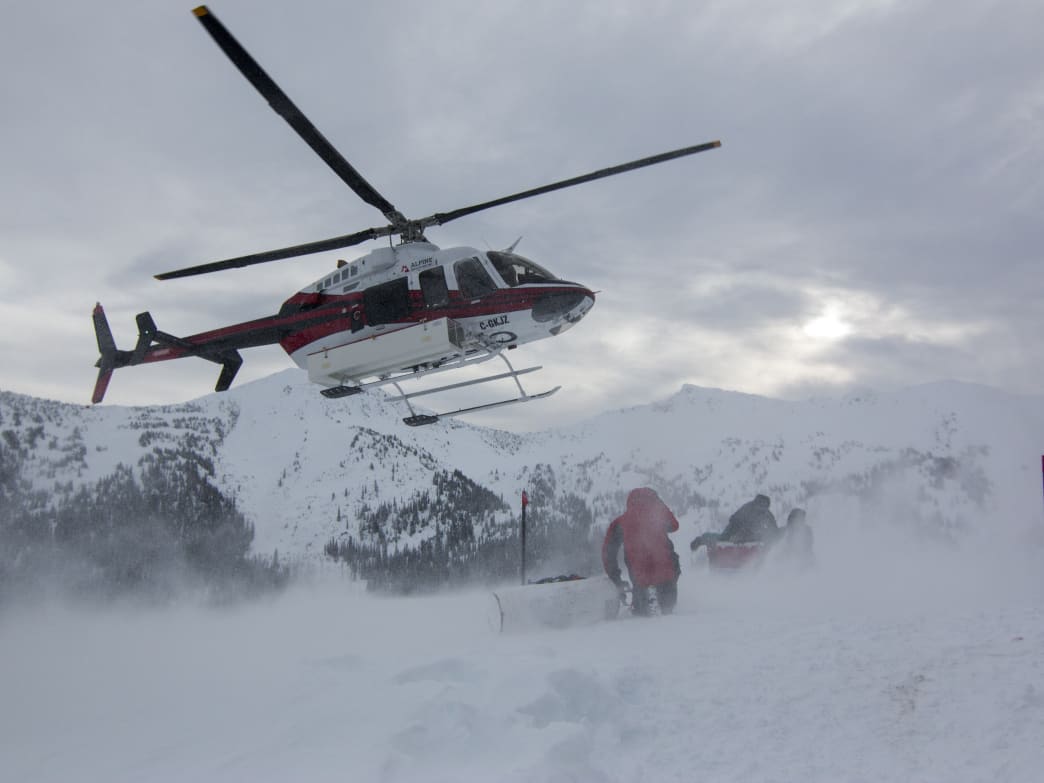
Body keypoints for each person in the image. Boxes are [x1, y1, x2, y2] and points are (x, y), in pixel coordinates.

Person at [602, 487, 681, 616]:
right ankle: (659, 602)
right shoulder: (659, 516)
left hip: (640, 580)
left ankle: (645, 601)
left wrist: (616, 579)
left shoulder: (621, 522)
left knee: (641, 614)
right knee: (667, 610)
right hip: (667, 578)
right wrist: (660, 506)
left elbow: (608, 552)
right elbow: (674, 526)